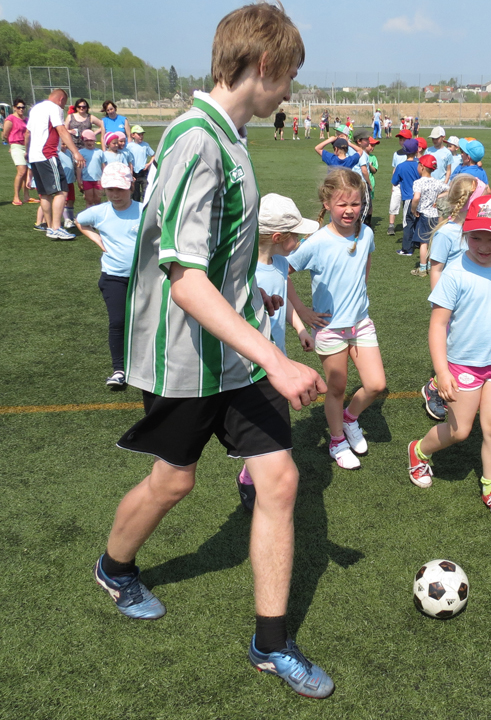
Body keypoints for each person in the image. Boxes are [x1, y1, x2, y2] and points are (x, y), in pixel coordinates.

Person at [92, 3, 334, 699]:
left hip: (236, 353)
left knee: (280, 480)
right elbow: (187, 282)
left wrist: (274, 319)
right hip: (185, 358)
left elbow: (225, 263)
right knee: (175, 482)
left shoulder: (229, 137)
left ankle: (271, 643)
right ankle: (115, 568)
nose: (289, 90)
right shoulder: (196, 140)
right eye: (289, 75)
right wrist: (279, 359)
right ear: (264, 64)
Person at [407, 194, 491, 525]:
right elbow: (438, 325)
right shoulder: (455, 272)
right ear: (465, 233)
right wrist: (442, 371)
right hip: (462, 365)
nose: (484, 246)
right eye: (476, 237)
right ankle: (418, 451)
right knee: (460, 431)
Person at [288, 168, 385, 471]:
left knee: (376, 384)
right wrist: (302, 311)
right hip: (329, 328)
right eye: (342, 204)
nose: (349, 210)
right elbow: (282, 272)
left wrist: (359, 294)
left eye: (355, 204)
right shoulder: (317, 241)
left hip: (360, 322)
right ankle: (336, 441)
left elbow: (365, 262)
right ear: (327, 203)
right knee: (337, 389)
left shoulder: (366, 234)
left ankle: (349, 418)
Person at [236, 193, 318, 511]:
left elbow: (285, 301)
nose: (300, 240)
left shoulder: (282, 264)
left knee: (271, 427)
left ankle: (251, 475)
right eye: (296, 235)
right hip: (253, 363)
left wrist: (300, 329)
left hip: (278, 359)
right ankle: (253, 479)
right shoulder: (245, 272)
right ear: (278, 237)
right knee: (270, 430)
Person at [421, 174, 485, 421]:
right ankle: (435, 388)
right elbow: (436, 269)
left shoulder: (475, 232)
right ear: (469, 201)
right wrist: (441, 304)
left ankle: (460, 385)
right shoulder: (447, 233)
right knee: (450, 348)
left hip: (473, 303)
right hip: (451, 305)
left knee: (466, 346)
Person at [75, 164, 142, 388]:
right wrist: (95, 238)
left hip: (144, 278)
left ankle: (146, 365)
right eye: (110, 189)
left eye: (120, 189)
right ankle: (119, 369)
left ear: (131, 187)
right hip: (114, 277)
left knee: (145, 322)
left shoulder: (144, 210)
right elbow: (80, 221)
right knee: (118, 321)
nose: (115, 194)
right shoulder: (99, 212)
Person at [26, 88, 85, 241]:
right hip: (48, 154)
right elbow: (61, 130)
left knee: (45, 193)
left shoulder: (35, 108)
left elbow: (27, 133)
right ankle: (56, 228)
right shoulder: (54, 108)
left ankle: (50, 227)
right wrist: (75, 152)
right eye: (64, 104)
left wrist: (27, 152)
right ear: (61, 100)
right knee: (62, 190)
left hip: (34, 156)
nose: (63, 107)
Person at [410, 154, 448, 278]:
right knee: (432, 242)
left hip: (423, 215)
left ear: (422, 167)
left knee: (423, 243)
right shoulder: (437, 182)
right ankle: (431, 266)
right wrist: (438, 197)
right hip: (435, 216)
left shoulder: (418, 182)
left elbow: (416, 197)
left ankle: (422, 268)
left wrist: (413, 209)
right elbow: (450, 189)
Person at [2, 98, 37, 206]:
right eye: (19, 107)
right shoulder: (10, 119)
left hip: (26, 146)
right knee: (21, 171)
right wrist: (12, 145)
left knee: (26, 172)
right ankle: (16, 197)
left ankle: (26, 196)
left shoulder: (26, 119)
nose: (21, 109)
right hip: (16, 145)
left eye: (23, 107)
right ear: (14, 108)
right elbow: (5, 134)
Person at [392, 138, 420, 256]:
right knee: (418, 220)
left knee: (407, 222)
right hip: (420, 197)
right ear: (417, 150)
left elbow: (394, 181)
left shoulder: (400, 166)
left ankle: (407, 249)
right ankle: (418, 243)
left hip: (408, 198)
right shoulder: (420, 165)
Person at [387, 128, 412, 235]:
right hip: (398, 182)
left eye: (404, 139)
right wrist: (393, 184)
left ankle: (408, 224)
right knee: (394, 202)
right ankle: (391, 225)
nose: (401, 141)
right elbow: (395, 169)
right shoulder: (396, 154)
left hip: (409, 183)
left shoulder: (412, 154)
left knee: (409, 204)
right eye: (400, 139)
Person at [77, 129, 105, 207]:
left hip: (98, 179)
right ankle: (89, 214)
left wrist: (104, 178)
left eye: (91, 140)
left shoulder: (99, 152)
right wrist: (79, 180)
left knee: (98, 200)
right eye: (87, 141)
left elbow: (103, 166)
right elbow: (79, 167)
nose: (89, 143)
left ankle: (98, 214)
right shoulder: (81, 152)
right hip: (86, 179)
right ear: (83, 141)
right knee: (89, 200)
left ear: (94, 140)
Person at [127, 125, 155, 202]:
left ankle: (145, 206)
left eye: (142, 134)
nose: (141, 136)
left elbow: (153, 155)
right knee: (135, 194)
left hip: (143, 171)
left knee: (146, 192)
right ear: (133, 135)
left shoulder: (145, 145)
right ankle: (136, 206)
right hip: (134, 173)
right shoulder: (129, 146)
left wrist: (148, 164)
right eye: (139, 134)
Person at [58, 141, 76, 229]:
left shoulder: (69, 152)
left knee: (71, 200)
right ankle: (66, 219)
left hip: (70, 180)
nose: (64, 146)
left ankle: (71, 218)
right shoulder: (57, 153)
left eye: (66, 144)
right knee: (65, 200)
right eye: (62, 144)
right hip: (62, 181)